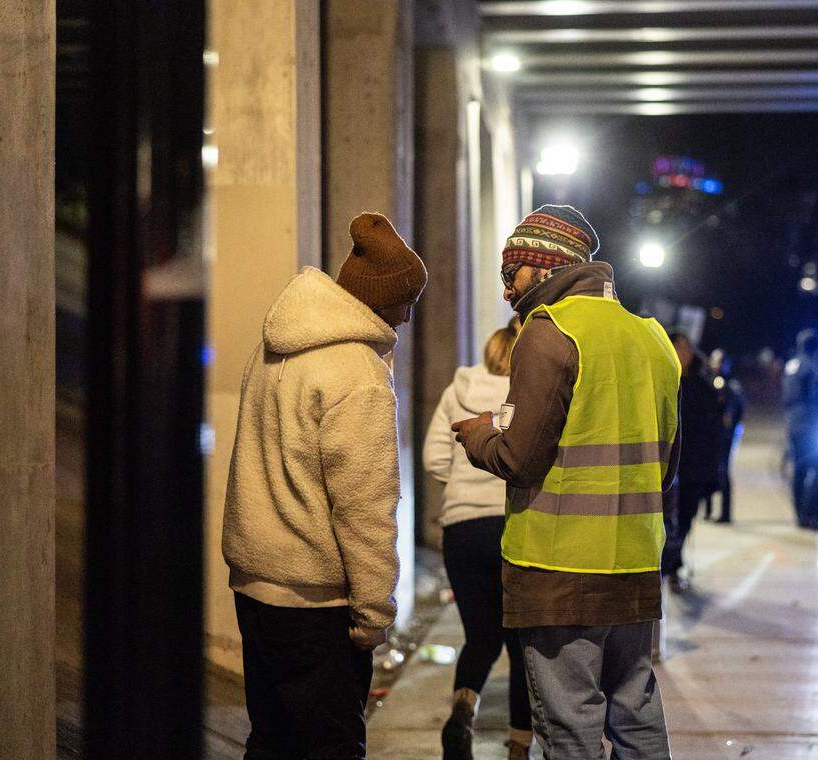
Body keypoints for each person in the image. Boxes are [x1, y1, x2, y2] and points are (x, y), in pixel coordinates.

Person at [453, 205, 681, 760]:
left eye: (513, 273)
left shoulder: (550, 332)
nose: (508, 290)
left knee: (568, 728)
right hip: (633, 566)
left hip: (558, 573)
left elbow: (520, 457)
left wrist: (480, 433)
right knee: (637, 713)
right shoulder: (653, 340)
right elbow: (667, 466)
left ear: (545, 267)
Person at [222, 212, 427, 759]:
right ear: (384, 299)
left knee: (270, 740)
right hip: (317, 601)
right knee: (331, 747)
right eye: (407, 302)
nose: (408, 318)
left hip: (255, 587)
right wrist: (374, 609)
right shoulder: (357, 374)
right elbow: (364, 505)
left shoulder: (272, 350)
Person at [422, 318, 533, 760]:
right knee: (520, 643)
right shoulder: (527, 395)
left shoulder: (457, 391)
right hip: (511, 525)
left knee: (480, 636)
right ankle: (520, 747)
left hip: (461, 529)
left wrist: (464, 488)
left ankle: (462, 716)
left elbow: (433, 457)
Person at [665, 333, 724, 592]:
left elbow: (713, 430)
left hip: (693, 466)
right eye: (677, 347)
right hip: (664, 468)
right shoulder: (658, 379)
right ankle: (668, 566)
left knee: (685, 518)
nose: (682, 353)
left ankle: (674, 567)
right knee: (666, 523)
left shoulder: (702, 386)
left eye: (686, 348)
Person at [782, 328, 818, 530]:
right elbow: (814, 398)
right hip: (809, 425)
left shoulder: (791, 365)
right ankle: (810, 515)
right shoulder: (812, 367)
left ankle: (800, 515)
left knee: (799, 470)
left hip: (792, 423)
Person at [707, 350, 745, 524]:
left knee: (723, 471)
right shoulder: (710, 382)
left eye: (721, 362)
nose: (717, 365)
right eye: (715, 361)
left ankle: (725, 513)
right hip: (713, 434)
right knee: (710, 470)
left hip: (725, 436)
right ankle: (708, 510)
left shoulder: (731, 385)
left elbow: (733, 414)